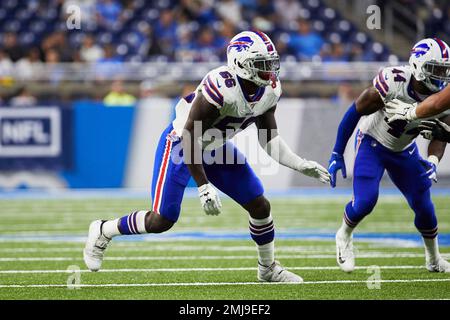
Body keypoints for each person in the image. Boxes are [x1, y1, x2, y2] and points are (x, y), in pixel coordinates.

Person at [83, 31, 330, 283]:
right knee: (162, 220)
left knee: (259, 205)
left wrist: (300, 164)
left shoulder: (269, 91)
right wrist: (203, 186)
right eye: (261, 64)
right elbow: (190, 135)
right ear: (240, 63)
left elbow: (268, 139)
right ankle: (104, 229)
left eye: (270, 63)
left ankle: (267, 268)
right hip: (182, 144)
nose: (269, 71)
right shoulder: (222, 87)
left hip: (216, 146)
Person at [327, 38, 450, 273]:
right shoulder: (395, 81)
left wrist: (433, 160)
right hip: (372, 143)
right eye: (436, 69)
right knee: (365, 202)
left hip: (404, 150)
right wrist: (337, 151)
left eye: (446, 70)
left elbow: (441, 134)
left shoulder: (445, 97)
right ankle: (343, 235)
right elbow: (355, 111)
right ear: (418, 66)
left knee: (425, 207)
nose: (442, 76)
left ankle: (434, 259)